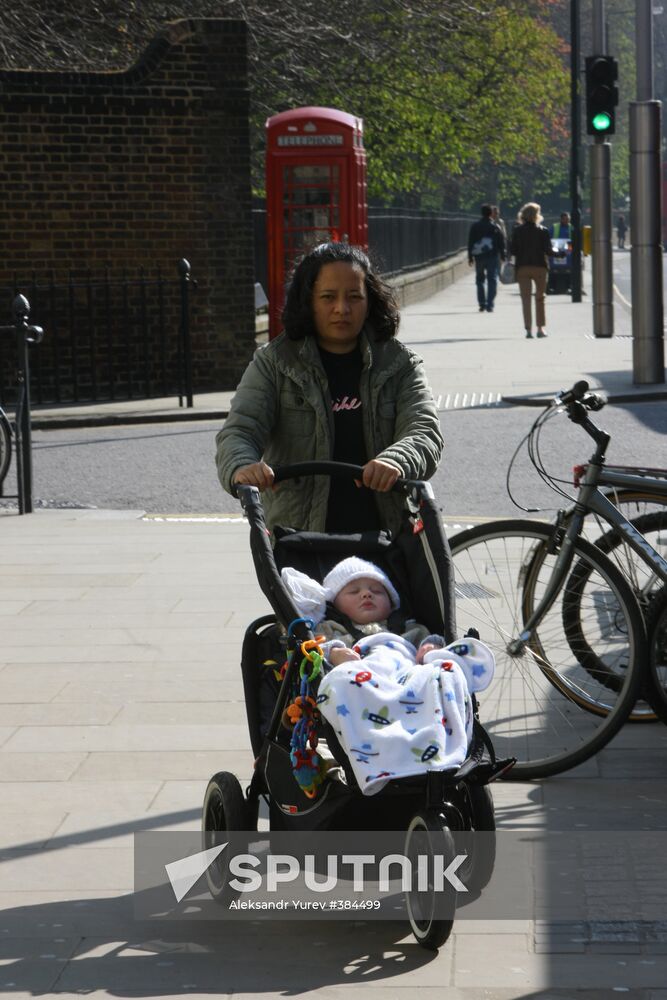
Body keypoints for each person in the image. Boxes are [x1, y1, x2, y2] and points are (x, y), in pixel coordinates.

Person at [215, 242, 443, 537]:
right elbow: (239, 431)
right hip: (300, 538)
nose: (341, 309)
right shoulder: (274, 363)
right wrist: (242, 465)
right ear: (309, 301)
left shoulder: (399, 364)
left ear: (369, 301)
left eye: (354, 297)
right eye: (328, 297)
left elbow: (424, 431)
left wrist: (396, 460)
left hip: (385, 539)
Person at [281, 556, 495, 794]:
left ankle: (435, 745)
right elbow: (317, 652)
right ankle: (378, 755)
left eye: (376, 590)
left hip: (407, 678)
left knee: (444, 671)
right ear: (335, 604)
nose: (366, 594)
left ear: (392, 602)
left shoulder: (407, 628)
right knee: (340, 680)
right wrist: (336, 654)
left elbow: (428, 646)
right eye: (353, 591)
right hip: (365, 680)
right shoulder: (331, 629)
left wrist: (430, 649)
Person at [510, 202, 563, 339]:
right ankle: (540, 329)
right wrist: (560, 253)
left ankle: (528, 330)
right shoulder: (543, 230)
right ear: (536, 215)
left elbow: (513, 250)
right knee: (540, 298)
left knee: (525, 300)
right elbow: (548, 251)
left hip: (522, 268)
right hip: (540, 267)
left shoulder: (517, 231)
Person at [467, 203, 506, 313]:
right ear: (491, 213)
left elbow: (470, 242)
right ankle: (490, 304)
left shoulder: (475, 226)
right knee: (492, 280)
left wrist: (470, 257)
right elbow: (501, 243)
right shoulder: (495, 227)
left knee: (480, 280)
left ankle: (482, 303)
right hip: (492, 256)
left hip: (479, 256)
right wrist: (503, 255)